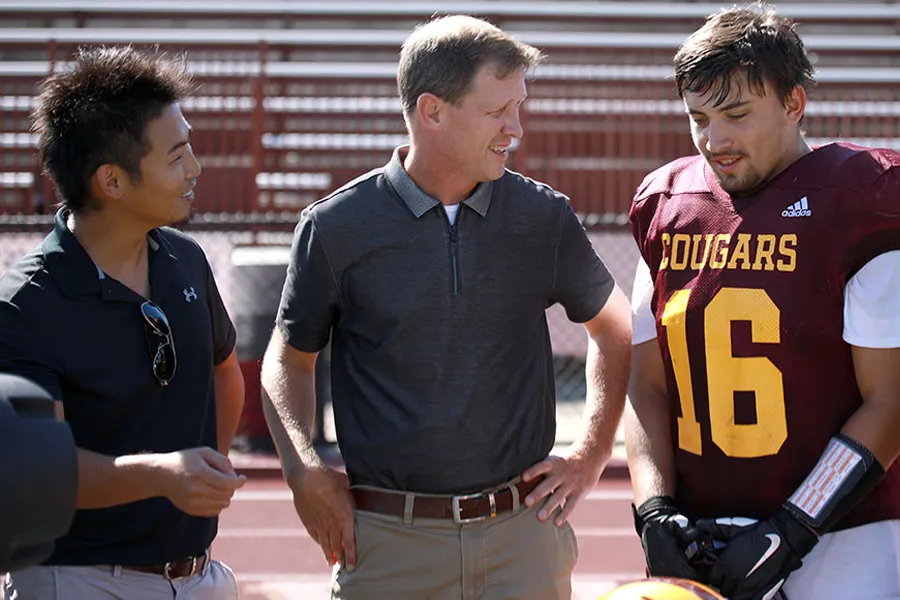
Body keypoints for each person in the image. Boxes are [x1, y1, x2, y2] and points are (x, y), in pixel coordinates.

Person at [261, 14, 632, 600]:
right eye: (496, 111)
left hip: (523, 541)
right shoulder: (335, 227)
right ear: (432, 112)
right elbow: (287, 361)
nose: (515, 129)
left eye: (519, 106)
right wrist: (302, 468)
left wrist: (592, 452)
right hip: (386, 544)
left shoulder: (543, 217)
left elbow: (615, 329)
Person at [625, 4, 900, 600]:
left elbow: (891, 402)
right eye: (698, 117)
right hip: (702, 531)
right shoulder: (669, 206)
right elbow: (646, 385)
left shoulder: (859, 202)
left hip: (845, 531)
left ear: (794, 103)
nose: (712, 140)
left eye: (736, 114)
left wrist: (795, 527)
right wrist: (653, 508)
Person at [0, 46, 247, 599]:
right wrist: (163, 475)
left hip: (199, 575)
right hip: (78, 580)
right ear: (111, 181)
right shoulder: (24, 304)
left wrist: (205, 471)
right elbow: (41, 470)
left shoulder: (185, 258)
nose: (196, 168)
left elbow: (224, 373)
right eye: (177, 155)